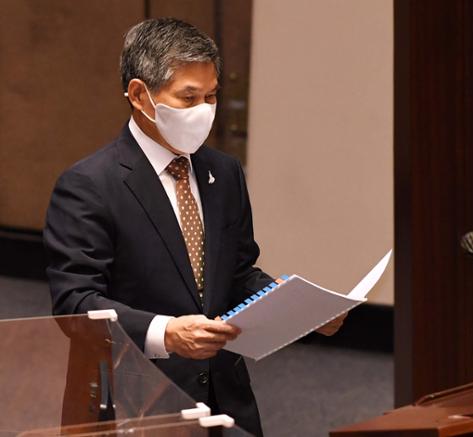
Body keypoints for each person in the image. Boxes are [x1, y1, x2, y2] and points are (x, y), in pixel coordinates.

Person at [43, 17, 345, 436]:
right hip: (138, 402)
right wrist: (165, 333)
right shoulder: (89, 185)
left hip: (226, 400)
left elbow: (237, 271)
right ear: (139, 95)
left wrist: (297, 309)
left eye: (211, 96)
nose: (204, 111)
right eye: (188, 98)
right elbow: (75, 304)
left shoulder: (223, 172)